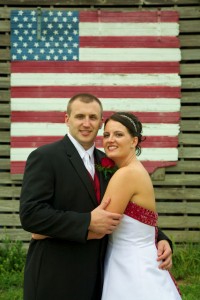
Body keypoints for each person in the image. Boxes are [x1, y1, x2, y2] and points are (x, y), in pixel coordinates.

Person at [20, 93, 173, 300]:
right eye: (79, 116)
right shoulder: (45, 157)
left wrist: (160, 239)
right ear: (67, 119)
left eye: (92, 117)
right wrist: (86, 222)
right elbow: (31, 214)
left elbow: (128, 211)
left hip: (99, 275)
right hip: (57, 275)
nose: (86, 123)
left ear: (100, 122)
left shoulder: (109, 162)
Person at [100, 112, 182, 300]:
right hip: (141, 259)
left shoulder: (126, 174)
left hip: (130, 268)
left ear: (134, 141)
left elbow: (101, 225)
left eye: (118, 134)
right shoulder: (135, 170)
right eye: (106, 135)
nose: (110, 140)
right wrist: (162, 238)